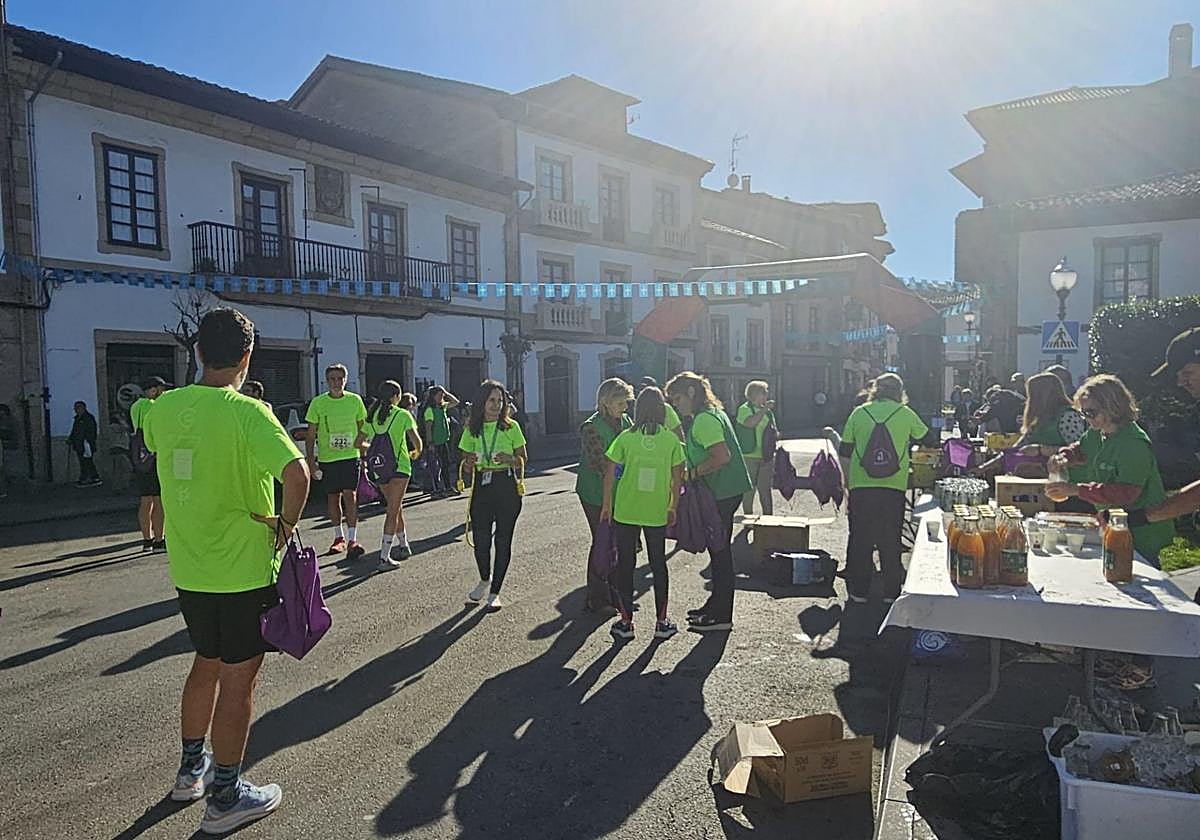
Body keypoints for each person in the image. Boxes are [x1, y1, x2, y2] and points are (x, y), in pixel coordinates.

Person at [142, 307, 309, 835]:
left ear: (195, 353)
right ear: (246, 356)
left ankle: (191, 772)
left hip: (189, 568)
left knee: (204, 663)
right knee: (238, 681)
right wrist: (285, 524)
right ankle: (226, 795)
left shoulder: (163, 408)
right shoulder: (249, 412)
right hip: (242, 568)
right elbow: (297, 472)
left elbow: (152, 443)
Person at [1046, 374, 1175, 565]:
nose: (1087, 419)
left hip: (1141, 529)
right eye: (1084, 413)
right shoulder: (1098, 431)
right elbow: (1080, 449)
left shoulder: (1133, 443)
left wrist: (1076, 490)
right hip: (1113, 524)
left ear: (1112, 407)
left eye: (1091, 412)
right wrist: (1064, 457)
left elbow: (1126, 493)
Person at [665, 371, 751, 632]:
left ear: (691, 393)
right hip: (729, 490)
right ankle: (715, 606)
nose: (675, 405)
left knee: (720, 553)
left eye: (677, 399)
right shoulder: (714, 413)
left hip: (722, 492)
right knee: (718, 553)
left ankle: (721, 615)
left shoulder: (704, 420)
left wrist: (692, 473)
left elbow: (721, 457)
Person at [601, 386, 685, 641]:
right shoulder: (670, 440)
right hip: (657, 510)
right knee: (658, 563)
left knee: (626, 564)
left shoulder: (626, 437)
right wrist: (673, 507)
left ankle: (626, 622)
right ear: (661, 409)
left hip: (627, 510)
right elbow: (677, 475)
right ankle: (661, 621)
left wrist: (607, 506)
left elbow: (609, 473)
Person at [837, 373, 929, 604]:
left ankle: (858, 592)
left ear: (875, 389)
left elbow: (845, 451)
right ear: (899, 392)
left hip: (861, 485)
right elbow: (929, 438)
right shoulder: (905, 413)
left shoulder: (859, 412)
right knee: (890, 539)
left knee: (861, 539)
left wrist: (846, 482)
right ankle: (891, 592)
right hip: (893, 486)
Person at [458, 380, 527, 610]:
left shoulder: (511, 427)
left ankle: (495, 591)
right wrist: (468, 463)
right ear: (482, 402)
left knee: (503, 540)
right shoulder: (471, 429)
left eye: (500, 401)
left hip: (506, 485)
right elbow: (465, 463)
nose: (496, 405)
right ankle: (484, 579)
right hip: (482, 486)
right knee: (481, 541)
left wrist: (509, 459)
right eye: (492, 400)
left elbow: (522, 459)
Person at [576, 377, 633, 612]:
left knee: (618, 543)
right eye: (621, 402)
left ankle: (615, 593)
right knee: (602, 541)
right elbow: (599, 465)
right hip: (595, 493)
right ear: (606, 402)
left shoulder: (626, 420)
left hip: (620, 490)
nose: (625, 408)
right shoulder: (591, 427)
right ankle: (597, 599)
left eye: (626, 402)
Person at [357, 380, 422, 571]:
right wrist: (415, 453)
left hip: (380, 467)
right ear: (396, 396)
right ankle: (384, 557)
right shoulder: (403, 415)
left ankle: (404, 544)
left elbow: (358, 443)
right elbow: (417, 442)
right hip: (400, 466)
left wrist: (374, 449)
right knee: (393, 510)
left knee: (395, 506)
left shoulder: (373, 416)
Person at [305, 364, 367, 558]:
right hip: (328, 458)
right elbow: (310, 434)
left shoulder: (355, 401)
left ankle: (352, 539)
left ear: (345, 380)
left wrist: (364, 453)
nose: (336, 383)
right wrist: (311, 461)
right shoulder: (318, 403)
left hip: (350, 456)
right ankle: (338, 537)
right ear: (327, 381)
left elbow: (364, 428)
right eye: (332, 379)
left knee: (351, 496)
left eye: (340, 379)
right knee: (333, 497)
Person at [976, 372, 1087, 477]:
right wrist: (983, 467)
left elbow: (1080, 452)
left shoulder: (1068, 416)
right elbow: (1016, 449)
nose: (1029, 399)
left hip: (1066, 480)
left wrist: (1041, 450)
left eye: (1032, 394)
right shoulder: (1038, 419)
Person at [131, 377, 170, 548]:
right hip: (154, 455)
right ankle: (159, 539)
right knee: (159, 500)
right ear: (153, 390)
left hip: (139, 456)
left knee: (145, 500)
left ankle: (146, 538)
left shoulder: (135, 406)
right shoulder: (155, 406)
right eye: (161, 389)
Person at [736, 380, 778, 516]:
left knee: (765, 489)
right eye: (763, 393)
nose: (766, 396)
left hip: (766, 455)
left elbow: (773, 430)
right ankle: (748, 518)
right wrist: (765, 409)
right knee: (749, 490)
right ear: (754, 394)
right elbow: (750, 423)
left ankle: (768, 519)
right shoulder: (744, 409)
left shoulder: (768, 413)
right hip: (749, 455)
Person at [420, 385, 460, 498]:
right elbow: (428, 427)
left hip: (443, 441)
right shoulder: (429, 410)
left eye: (442, 395)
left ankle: (447, 487)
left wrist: (446, 392)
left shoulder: (442, 407)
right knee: (434, 467)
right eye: (439, 395)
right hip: (434, 442)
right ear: (433, 396)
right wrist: (430, 443)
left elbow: (456, 402)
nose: (441, 397)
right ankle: (435, 490)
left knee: (445, 464)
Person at [68, 400, 102, 488]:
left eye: (77, 408)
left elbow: (91, 431)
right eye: (75, 408)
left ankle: (90, 477)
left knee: (87, 461)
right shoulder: (77, 419)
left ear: (82, 408)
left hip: (86, 444)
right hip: (80, 444)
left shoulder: (88, 418)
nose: (76, 410)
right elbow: (75, 431)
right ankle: (89, 478)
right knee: (84, 461)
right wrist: (71, 439)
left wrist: (87, 440)